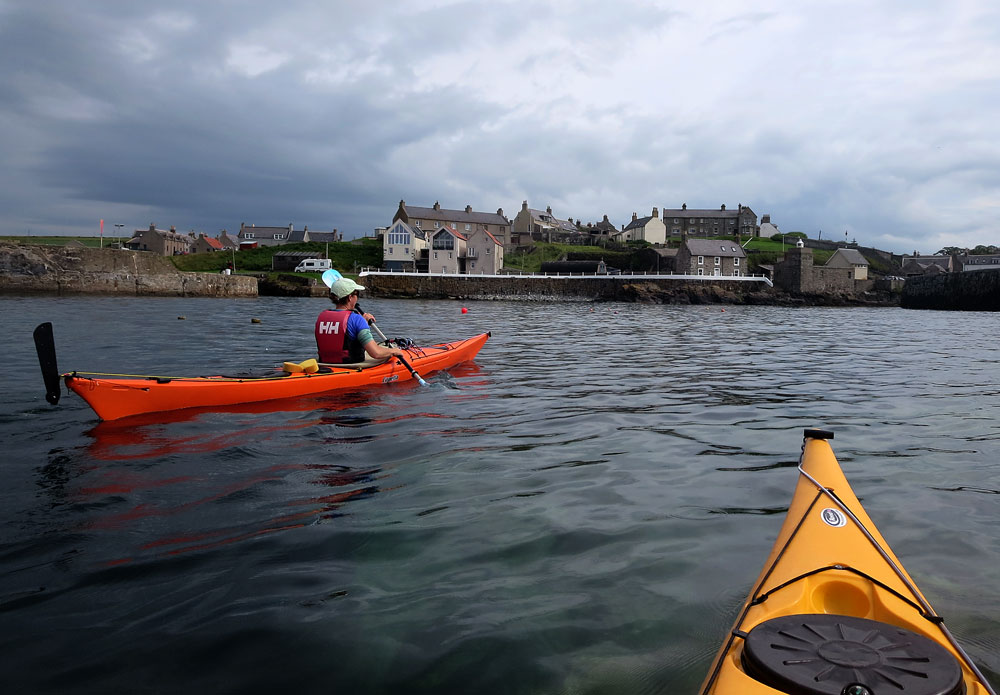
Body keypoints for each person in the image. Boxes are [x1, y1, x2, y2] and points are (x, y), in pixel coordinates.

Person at [315, 277, 406, 364]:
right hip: (351, 364)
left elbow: (344, 332)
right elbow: (376, 353)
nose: (357, 298)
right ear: (350, 297)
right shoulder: (357, 319)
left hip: (325, 363)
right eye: (357, 294)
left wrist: (363, 323)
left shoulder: (322, 316)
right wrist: (394, 351)